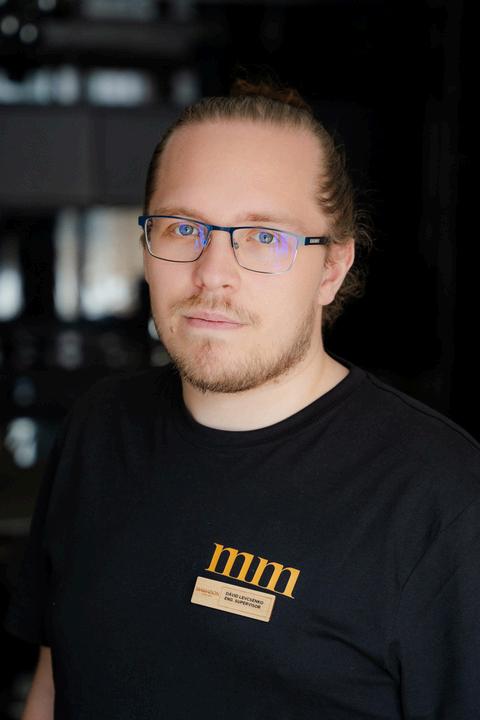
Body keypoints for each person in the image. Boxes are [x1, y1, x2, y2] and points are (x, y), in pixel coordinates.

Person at [4, 75, 480, 720]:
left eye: (264, 237)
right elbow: (53, 684)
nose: (212, 274)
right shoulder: (100, 425)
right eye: (183, 228)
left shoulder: (442, 498)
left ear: (332, 268)